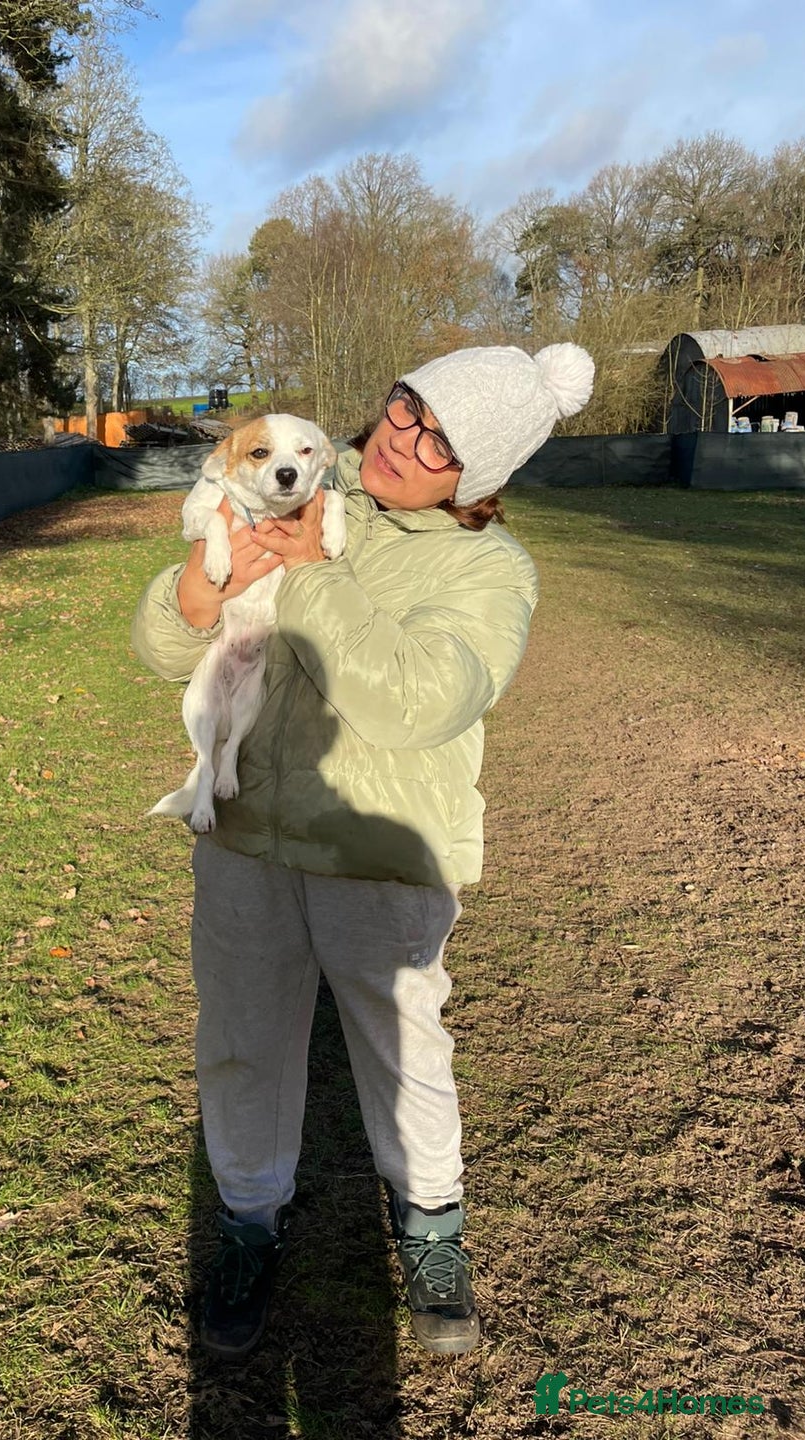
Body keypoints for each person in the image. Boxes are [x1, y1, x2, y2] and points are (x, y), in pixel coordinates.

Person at [131, 343, 594, 1360]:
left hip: (383, 851)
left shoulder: (486, 568)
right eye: (404, 405)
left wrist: (306, 577)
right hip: (245, 833)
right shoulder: (298, 476)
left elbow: (413, 698)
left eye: (439, 440)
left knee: (403, 1054)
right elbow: (166, 650)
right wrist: (192, 604)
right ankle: (250, 1224)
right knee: (243, 1042)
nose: (401, 438)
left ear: (481, 477)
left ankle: (431, 1230)